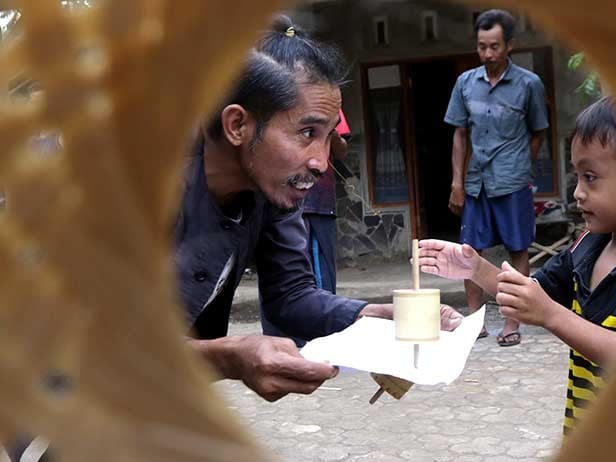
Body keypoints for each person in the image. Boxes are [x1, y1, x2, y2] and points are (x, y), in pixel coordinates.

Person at [180, 18, 463, 403]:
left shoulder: (270, 191)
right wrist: (228, 357)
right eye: (307, 133)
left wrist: (374, 316)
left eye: (328, 137)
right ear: (237, 125)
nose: (321, 162)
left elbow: (291, 294)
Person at [420, 96, 616, 438]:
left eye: (591, 177)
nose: (577, 192)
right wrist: (474, 267)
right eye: (577, 176)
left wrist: (552, 315)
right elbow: (533, 293)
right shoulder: (589, 245)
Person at [444, 9, 549, 347]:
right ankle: (475, 321)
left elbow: (538, 133)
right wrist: (457, 182)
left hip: (512, 182)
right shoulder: (465, 83)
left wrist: (519, 166)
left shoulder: (528, 84)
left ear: (510, 46)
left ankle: (511, 322)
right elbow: (459, 135)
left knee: (517, 249)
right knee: (468, 252)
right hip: (475, 182)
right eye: (481, 46)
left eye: (494, 46)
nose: (487, 54)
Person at [300, 109, 350, 293]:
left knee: (322, 274)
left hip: (319, 200)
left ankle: (323, 320)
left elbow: (341, 151)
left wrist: (331, 132)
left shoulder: (328, 103)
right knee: (289, 269)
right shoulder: (281, 95)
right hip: (283, 202)